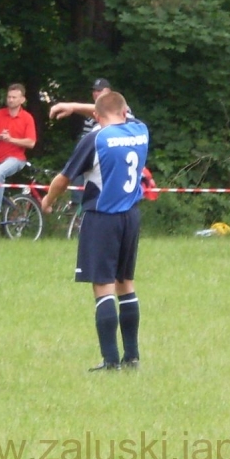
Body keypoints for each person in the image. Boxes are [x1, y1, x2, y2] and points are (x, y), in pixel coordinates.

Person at [41, 91, 148, 372]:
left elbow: (63, 179)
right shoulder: (139, 130)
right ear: (124, 112)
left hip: (102, 217)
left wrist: (48, 200)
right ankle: (132, 356)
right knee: (125, 283)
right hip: (131, 216)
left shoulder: (95, 139)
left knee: (103, 287)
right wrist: (76, 106)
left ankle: (110, 360)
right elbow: (114, 108)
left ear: (97, 118)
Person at [0, 83, 36, 217]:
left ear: (22, 100)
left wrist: (11, 139)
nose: (11, 100)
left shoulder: (27, 118)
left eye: (14, 97)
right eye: (9, 97)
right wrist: (0, 137)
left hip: (16, 158)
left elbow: (31, 143)